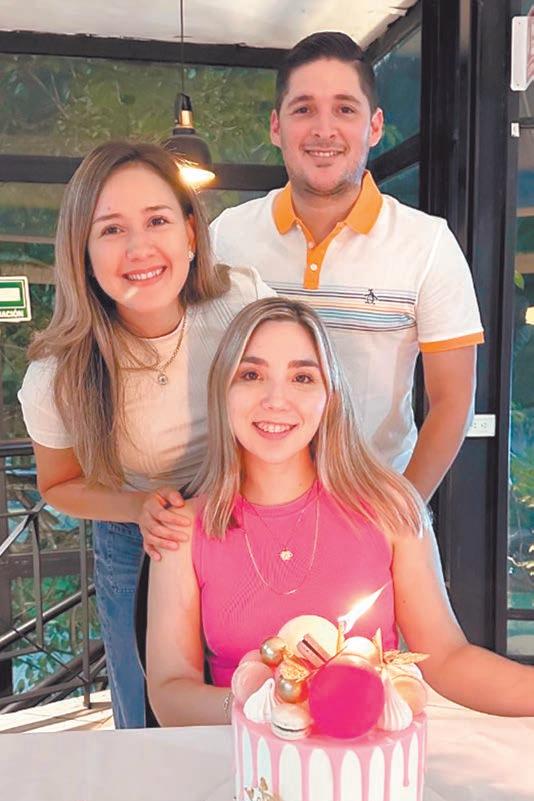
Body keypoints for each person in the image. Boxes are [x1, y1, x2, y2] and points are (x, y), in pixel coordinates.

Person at [146, 298, 533, 726]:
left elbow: (448, 659)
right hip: (240, 762)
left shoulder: (390, 508)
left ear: (330, 396)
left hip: (367, 761)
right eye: (251, 375)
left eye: (302, 377)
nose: (276, 399)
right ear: (222, 390)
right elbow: (169, 694)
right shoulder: (181, 529)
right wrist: (267, 708)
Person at [17, 140, 273, 729]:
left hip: (245, 517)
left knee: (263, 695)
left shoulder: (242, 303)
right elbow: (58, 484)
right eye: (111, 230)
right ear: (82, 253)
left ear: (190, 233)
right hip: (140, 538)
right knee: (148, 716)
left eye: (157, 220)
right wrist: (137, 506)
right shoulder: (57, 374)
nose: (139, 249)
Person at [210, 32, 485, 501]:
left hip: (369, 504)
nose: (324, 129)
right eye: (303, 109)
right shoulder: (227, 236)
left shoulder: (428, 244)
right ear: (276, 126)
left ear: (374, 126)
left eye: (344, 109)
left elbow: (453, 401)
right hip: (247, 504)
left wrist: (402, 513)